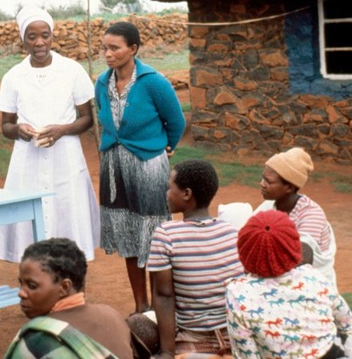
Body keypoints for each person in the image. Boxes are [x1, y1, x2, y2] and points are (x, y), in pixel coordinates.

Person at [0, 6, 100, 262]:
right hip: (27, 158)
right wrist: (20, 130)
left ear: (52, 36)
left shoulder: (72, 70)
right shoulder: (13, 76)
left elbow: (87, 119)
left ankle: (71, 281)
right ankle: (36, 280)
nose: (39, 42)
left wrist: (62, 130)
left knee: (67, 212)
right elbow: (6, 125)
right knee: (29, 221)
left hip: (66, 157)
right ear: (23, 39)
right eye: (32, 36)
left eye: (45, 35)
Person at [95, 21, 186, 314]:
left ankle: (162, 307)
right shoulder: (101, 83)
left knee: (154, 236)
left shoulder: (153, 82)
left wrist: (164, 147)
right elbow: (104, 118)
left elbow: (177, 122)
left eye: (114, 48)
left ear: (133, 49)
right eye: (104, 47)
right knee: (128, 235)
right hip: (113, 166)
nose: (108, 54)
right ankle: (140, 305)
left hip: (148, 165)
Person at [147, 160, 244, 357]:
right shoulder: (232, 232)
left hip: (193, 340)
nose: (167, 194)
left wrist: (167, 352)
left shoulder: (166, 235)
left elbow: (164, 295)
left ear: (187, 194)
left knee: (137, 326)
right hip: (236, 338)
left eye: (170, 188)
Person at [226, 209, 352, 358]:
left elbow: (246, 354)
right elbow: (347, 323)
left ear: (245, 251)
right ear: (293, 247)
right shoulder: (313, 276)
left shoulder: (237, 293)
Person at [4, 237, 134, 358]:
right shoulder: (112, 315)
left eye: (32, 286)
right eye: (21, 284)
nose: (21, 293)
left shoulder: (34, 341)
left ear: (64, 287)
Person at [256, 147, 337, 287]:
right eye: (263, 178)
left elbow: (299, 258)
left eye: (268, 181)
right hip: (283, 282)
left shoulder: (311, 214)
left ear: (289, 187)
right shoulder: (268, 207)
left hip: (314, 289)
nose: (262, 184)